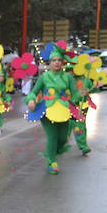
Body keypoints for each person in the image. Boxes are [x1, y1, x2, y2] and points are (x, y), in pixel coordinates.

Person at [25, 45, 72, 174]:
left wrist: (82, 94)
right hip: (47, 110)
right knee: (52, 136)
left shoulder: (68, 77)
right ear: (49, 63)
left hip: (63, 109)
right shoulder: (44, 77)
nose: (57, 62)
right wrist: (31, 100)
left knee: (63, 138)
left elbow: (75, 93)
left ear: (62, 62)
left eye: (59, 60)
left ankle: (53, 151)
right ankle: (52, 161)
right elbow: (33, 92)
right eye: (54, 60)